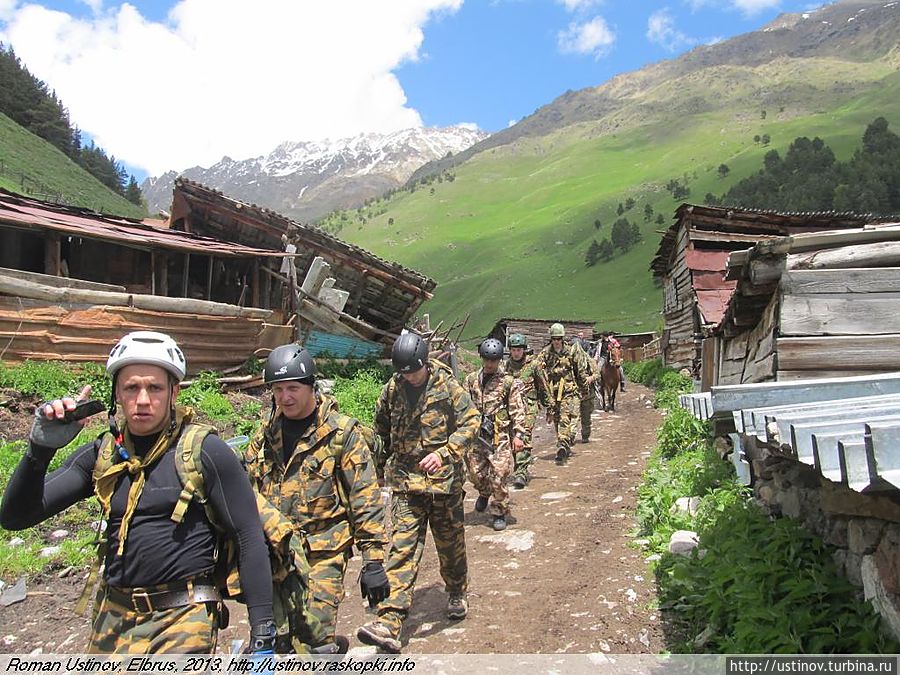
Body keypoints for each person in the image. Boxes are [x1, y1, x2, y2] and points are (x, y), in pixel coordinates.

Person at [0, 331, 276, 654]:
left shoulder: (206, 452)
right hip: (113, 615)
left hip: (182, 618)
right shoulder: (104, 455)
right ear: (117, 393)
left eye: (154, 388)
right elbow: (15, 517)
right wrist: (39, 450)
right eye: (131, 388)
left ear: (173, 392)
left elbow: (248, 536)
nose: (142, 399)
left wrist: (263, 635)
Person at [242, 343, 389, 645]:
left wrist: (373, 561)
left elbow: (364, 498)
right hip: (277, 554)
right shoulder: (266, 435)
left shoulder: (341, 434)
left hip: (324, 552)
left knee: (314, 636)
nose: (285, 397)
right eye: (278, 389)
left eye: (293, 388)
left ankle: (326, 649)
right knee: (277, 641)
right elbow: (247, 487)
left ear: (311, 386)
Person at [357, 332, 480, 654]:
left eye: (413, 371)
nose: (409, 377)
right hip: (405, 483)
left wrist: (445, 452)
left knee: (450, 546)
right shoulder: (392, 389)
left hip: (444, 484)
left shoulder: (448, 387)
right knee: (402, 548)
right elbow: (381, 431)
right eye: (404, 372)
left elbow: (471, 423)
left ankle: (456, 591)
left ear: (425, 363)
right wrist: (376, 470)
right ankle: (390, 620)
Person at [464, 338, 526, 531]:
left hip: (499, 436)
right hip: (477, 435)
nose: (490, 364)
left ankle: (499, 512)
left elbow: (517, 409)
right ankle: (484, 492)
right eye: (487, 360)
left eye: (494, 360)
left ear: (499, 360)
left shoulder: (507, 382)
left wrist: (519, 435)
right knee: (475, 474)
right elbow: (462, 405)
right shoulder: (471, 380)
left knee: (499, 476)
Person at [534, 323, 591, 465]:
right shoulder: (545, 353)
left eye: (559, 339)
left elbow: (579, 372)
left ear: (562, 338)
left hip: (568, 390)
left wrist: (584, 389)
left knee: (565, 417)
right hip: (552, 392)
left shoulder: (571, 352)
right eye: (554, 339)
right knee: (557, 419)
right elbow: (536, 368)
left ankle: (562, 444)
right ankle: (564, 443)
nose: (556, 342)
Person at [503, 333, 541, 489]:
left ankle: (521, 472)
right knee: (513, 437)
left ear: (524, 350)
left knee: (524, 435)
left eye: (519, 350)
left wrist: (551, 407)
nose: (516, 353)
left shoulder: (533, 365)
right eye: (513, 350)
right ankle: (519, 466)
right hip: (512, 408)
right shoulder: (506, 366)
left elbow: (543, 385)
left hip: (529, 406)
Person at [572, 334, 599, 443]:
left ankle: (585, 435)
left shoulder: (589, 360)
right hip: (574, 393)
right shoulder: (569, 361)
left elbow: (597, 373)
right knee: (573, 416)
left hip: (588, 393)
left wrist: (590, 378)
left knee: (586, 416)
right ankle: (570, 437)